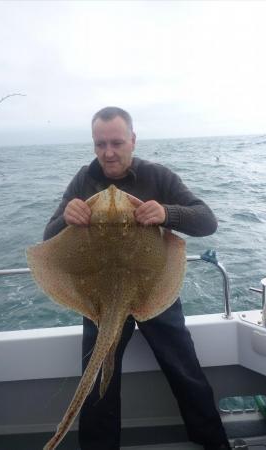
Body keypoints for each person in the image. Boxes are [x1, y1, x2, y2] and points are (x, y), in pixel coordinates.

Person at [43, 107, 231, 450]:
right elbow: (48, 237)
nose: (108, 152)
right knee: (99, 379)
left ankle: (215, 444)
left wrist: (166, 212)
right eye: (100, 144)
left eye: (116, 142)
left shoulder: (158, 176)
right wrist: (65, 219)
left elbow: (207, 221)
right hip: (100, 297)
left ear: (133, 140)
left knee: (185, 371)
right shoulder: (83, 179)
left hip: (153, 292)